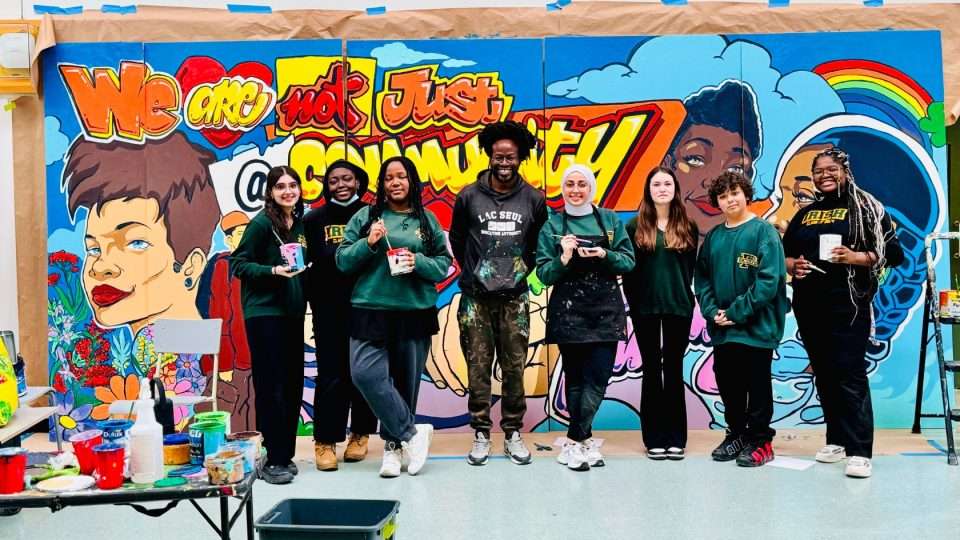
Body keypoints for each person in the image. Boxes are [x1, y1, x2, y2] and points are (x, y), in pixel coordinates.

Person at [783, 148, 904, 479]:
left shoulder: (867, 209)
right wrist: (793, 265)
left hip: (849, 305)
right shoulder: (805, 214)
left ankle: (859, 450)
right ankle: (836, 441)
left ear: (845, 171)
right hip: (809, 305)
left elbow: (894, 254)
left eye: (831, 169)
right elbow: (783, 254)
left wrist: (855, 257)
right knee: (824, 374)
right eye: (818, 170)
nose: (824, 175)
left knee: (849, 374)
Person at [336, 156, 451, 478]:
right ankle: (412, 433)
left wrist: (418, 262)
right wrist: (369, 242)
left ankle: (393, 447)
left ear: (412, 181)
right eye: (389, 178)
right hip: (370, 308)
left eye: (402, 176)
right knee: (365, 374)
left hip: (413, 311)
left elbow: (443, 265)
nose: (395, 183)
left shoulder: (427, 220)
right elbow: (343, 260)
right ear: (382, 184)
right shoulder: (366, 217)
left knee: (405, 383)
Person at [449, 120, 548, 466]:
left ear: (521, 158)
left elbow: (538, 245)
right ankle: (480, 433)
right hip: (475, 299)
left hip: (515, 299)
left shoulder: (534, 199)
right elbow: (458, 240)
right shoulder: (468, 196)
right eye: (498, 156)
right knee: (477, 367)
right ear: (489, 156)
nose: (504, 163)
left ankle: (512, 433)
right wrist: (477, 271)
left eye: (511, 157)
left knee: (514, 367)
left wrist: (518, 272)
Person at [536, 165, 635, 471]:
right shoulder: (552, 225)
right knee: (576, 379)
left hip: (606, 311)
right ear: (563, 188)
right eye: (570, 184)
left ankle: (575, 439)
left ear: (591, 188)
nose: (576, 190)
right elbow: (544, 273)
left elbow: (629, 261)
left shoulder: (609, 220)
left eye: (582, 184)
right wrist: (564, 257)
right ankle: (581, 441)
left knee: (598, 378)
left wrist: (605, 255)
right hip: (569, 312)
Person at [694, 171, 789, 468]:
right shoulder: (714, 237)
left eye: (734, 193)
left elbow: (768, 282)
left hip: (757, 329)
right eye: (723, 196)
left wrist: (735, 313)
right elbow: (702, 279)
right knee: (729, 385)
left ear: (746, 195)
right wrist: (713, 312)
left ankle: (760, 441)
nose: (730, 200)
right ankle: (735, 434)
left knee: (757, 386)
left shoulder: (764, 232)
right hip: (723, 329)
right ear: (717, 203)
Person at [231, 165, 308, 485]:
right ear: (271, 192)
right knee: (271, 385)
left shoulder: (299, 224)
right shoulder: (262, 223)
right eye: (280, 186)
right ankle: (272, 457)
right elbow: (238, 263)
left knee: (291, 384)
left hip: (292, 313)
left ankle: (284, 455)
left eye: (293, 185)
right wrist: (272, 271)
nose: (288, 191)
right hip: (264, 313)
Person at [304, 160, 378, 471]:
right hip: (328, 309)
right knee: (331, 374)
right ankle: (325, 440)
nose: (341, 185)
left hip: (368, 306)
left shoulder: (373, 215)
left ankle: (361, 434)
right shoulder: (313, 219)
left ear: (358, 182)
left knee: (364, 373)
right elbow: (306, 262)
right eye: (333, 180)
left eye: (347, 178)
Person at [623, 167, 698, 461]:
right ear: (648, 190)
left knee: (674, 370)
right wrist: (636, 303)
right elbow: (629, 271)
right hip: (646, 309)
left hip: (679, 306)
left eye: (667, 183)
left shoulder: (688, 226)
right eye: (657, 184)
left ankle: (676, 438)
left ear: (675, 188)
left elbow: (689, 268)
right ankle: (654, 438)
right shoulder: (634, 226)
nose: (662, 188)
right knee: (652, 370)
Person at [662, 81, 762, 238]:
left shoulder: (758, 239)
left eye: (735, 168)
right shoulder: (642, 235)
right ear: (667, 165)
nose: (712, 182)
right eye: (695, 159)